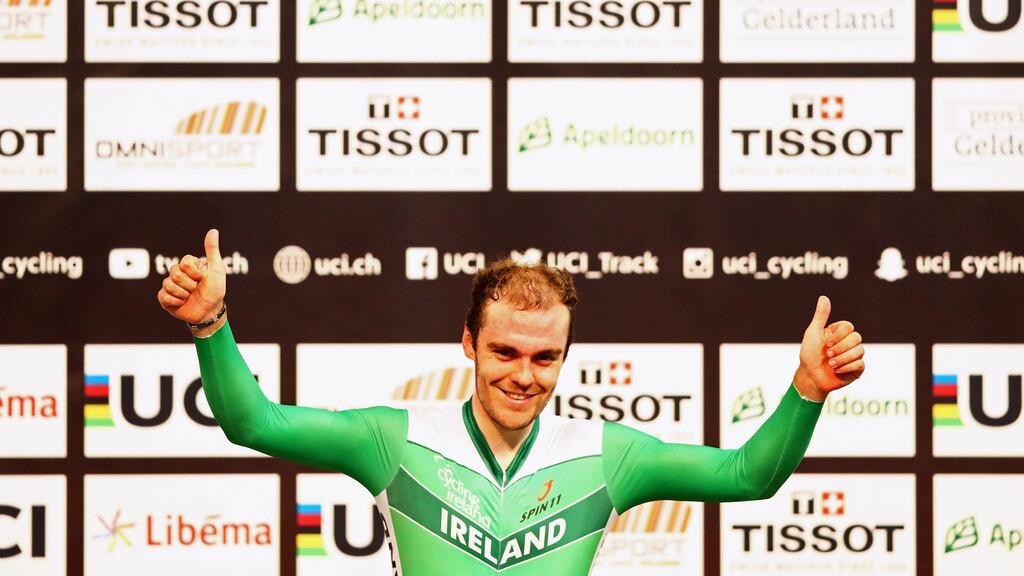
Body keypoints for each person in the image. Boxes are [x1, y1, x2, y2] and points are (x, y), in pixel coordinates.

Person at [157, 229, 865, 576]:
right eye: (504, 352)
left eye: (544, 357)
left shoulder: (609, 456)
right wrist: (209, 326)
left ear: (564, 355)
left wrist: (806, 393)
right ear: (468, 343)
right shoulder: (393, 439)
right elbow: (253, 421)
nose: (524, 375)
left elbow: (748, 476)